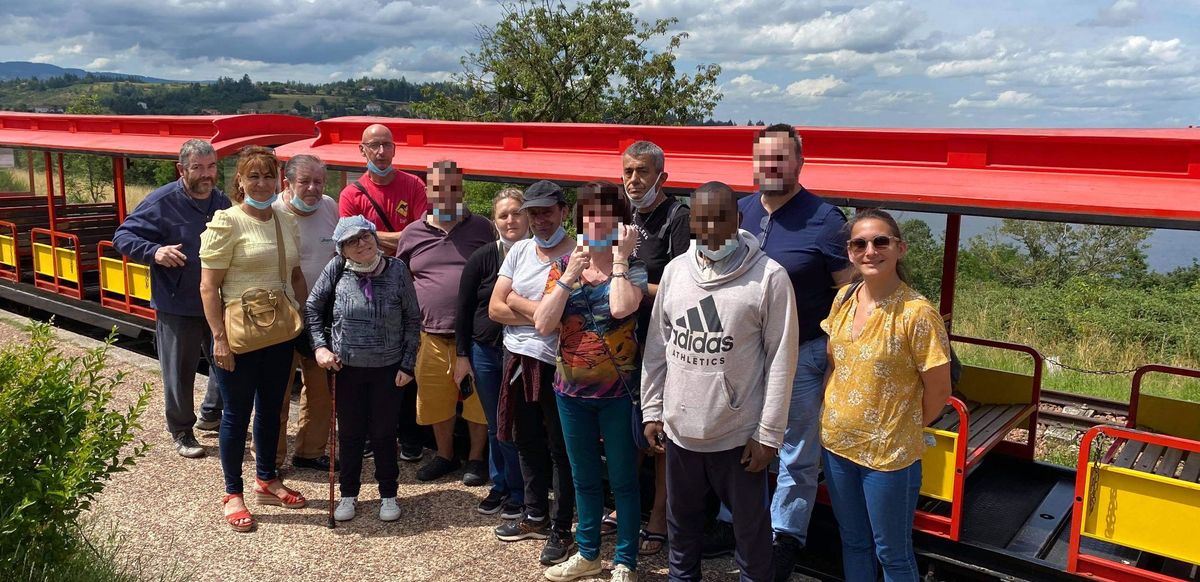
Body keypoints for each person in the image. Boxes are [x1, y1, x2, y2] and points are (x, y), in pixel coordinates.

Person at [643, 181, 798, 582]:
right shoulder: (676, 271)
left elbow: (782, 360)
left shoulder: (769, 278)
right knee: (682, 534)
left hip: (738, 438)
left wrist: (768, 435)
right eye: (701, 219)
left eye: (720, 218)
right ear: (691, 222)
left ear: (738, 218)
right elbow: (658, 347)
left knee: (751, 540)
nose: (711, 228)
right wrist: (653, 409)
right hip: (681, 434)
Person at [736, 124, 854, 580]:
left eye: (781, 158)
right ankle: (739, 522)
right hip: (745, 354)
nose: (771, 166)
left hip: (803, 353)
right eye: (764, 159)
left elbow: (848, 293)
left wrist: (834, 356)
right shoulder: (740, 210)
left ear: (799, 164)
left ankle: (786, 537)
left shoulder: (825, 219)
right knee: (742, 437)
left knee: (796, 451)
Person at [820, 209, 951, 582]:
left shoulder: (917, 313)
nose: (870, 251)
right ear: (850, 252)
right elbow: (835, 364)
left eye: (881, 241)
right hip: (838, 446)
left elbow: (939, 390)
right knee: (854, 541)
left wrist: (900, 425)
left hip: (889, 457)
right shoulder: (844, 298)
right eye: (860, 243)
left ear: (900, 248)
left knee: (892, 553)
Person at [534, 182, 646, 582]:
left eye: (606, 214)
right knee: (583, 477)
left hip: (617, 394)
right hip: (570, 392)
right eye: (589, 214)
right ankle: (588, 553)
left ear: (620, 221)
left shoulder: (633, 267)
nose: (596, 221)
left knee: (622, 480)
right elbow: (544, 324)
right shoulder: (564, 266)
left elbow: (620, 306)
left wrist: (618, 260)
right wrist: (569, 278)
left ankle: (626, 562)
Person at [199, 146, 309, 533]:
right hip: (238, 334)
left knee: (273, 409)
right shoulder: (225, 222)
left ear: (277, 181)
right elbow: (209, 287)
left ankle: (266, 478)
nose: (261, 183)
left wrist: (304, 315)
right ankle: (233, 492)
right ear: (240, 182)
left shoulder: (284, 220)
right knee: (235, 414)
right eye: (253, 176)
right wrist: (219, 339)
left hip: (278, 331)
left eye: (267, 176)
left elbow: (294, 275)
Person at [112, 138, 228, 458]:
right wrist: (155, 252)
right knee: (179, 370)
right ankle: (181, 430)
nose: (206, 174)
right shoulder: (163, 200)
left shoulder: (221, 201)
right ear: (182, 169)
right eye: (198, 168)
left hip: (217, 300)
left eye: (212, 166)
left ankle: (211, 415)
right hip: (179, 303)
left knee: (225, 361)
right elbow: (122, 236)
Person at [305, 215, 422, 523]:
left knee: (384, 433)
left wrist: (408, 364)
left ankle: (388, 494)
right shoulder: (336, 269)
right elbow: (313, 308)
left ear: (374, 237)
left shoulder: (397, 270)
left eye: (365, 236)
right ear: (341, 249)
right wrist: (320, 347)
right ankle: (348, 494)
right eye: (351, 241)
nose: (361, 244)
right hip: (347, 368)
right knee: (351, 434)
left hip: (389, 368)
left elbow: (412, 319)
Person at [489, 180, 577, 566]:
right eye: (533, 212)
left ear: (564, 212)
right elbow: (495, 307)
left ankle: (562, 528)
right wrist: (539, 311)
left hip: (560, 364)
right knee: (526, 441)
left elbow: (563, 325)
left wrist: (520, 304)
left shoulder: (577, 254)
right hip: (518, 360)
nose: (540, 220)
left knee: (563, 449)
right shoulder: (520, 251)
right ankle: (535, 512)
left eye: (547, 211)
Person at [396, 160, 495, 483]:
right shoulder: (412, 232)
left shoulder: (482, 227)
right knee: (435, 400)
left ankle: (477, 459)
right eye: (438, 188)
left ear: (461, 190)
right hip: (431, 335)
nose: (446, 195)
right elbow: (401, 277)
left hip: (475, 337)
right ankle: (445, 455)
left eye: (452, 188)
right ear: (427, 191)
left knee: (477, 402)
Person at [614, 140, 690, 555]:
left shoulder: (677, 218)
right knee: (627, 430)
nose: (633, 179)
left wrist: (631, 285)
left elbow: (685, 286)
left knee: (658, 430)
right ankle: (627, 507)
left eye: (642, 171)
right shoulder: (622, 215)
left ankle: (660, 516)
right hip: (621, 341)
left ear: (662, 175)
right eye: (627, 171)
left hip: (661, 343)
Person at [338, 123, 428, 463]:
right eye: (373, 145)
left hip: (405, 282)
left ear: (394, 148)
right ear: (362, 151)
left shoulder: (414, 185)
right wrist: (394, 238)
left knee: (405, 356)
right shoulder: (351, 193)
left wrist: (370, 238)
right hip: (364, 286)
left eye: (386, 145)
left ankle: (409, 436)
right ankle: (370, 436)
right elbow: (349, 241)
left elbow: (419, 235)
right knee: (367, 362)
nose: (380, 152)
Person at [455, 188, 529, 517]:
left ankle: (522, 488)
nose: (510, 220)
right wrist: (461, 355)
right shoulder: (483, 256)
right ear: (494, 221)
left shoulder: (541, 256)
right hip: (485, 352)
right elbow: (464, 308)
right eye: (503, 215)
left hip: (526, 354)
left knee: (519, 423)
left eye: (517, 212)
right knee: (494, 423)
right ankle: (501, 485)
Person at [272, 154, 338, 472]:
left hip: (321, 317)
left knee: (321, 392)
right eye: (305, 182)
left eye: (318, 181)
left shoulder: (329, 206)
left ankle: (310, 451)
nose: (313, 188)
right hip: (281, 316)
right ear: (288, 182)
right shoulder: (272, 212)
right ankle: (271, 457)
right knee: (277, 391)